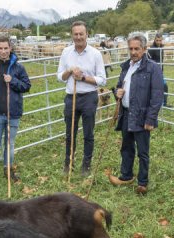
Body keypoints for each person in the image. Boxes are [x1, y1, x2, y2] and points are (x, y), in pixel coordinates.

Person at [108, 33, 163, 195]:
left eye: (137, 49)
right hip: (126, 114)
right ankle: (126, 175)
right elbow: (119, 87)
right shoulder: (126, 67)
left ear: (144, 49)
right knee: (126, 147)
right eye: (130, 48)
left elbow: (157, 95)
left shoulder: (153, 68)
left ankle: (143, 182)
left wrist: (151, 119)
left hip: (142, 115)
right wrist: (116, 92)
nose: (133, 52)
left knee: (143, 151)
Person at [56, 21, 107, 176]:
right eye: (75, 34)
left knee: (88, 133)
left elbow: (102, 80)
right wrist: (69, 72)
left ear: (87, 35)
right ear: (72, 35)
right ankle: (68, 163)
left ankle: (86, 165)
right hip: (71, 97)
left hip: (89, 97)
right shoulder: (66, 52)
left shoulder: (95, 54)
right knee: (70, 133)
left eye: (81, 34)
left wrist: (83, 77)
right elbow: (59, 77)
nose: (78, 37)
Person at [0, 36, 31, 186]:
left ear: (10, 48)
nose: (3, 51)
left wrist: (13, 81)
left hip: (12, 114)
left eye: (6, 48)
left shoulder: (18, 67)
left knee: (9, 145)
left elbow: (27, 86)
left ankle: (8, 170)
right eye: (0, 48)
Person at [147, 33, 170, 107]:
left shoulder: (161, 47)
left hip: (160, 71)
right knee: (162, 86)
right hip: (153, 72)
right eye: (157, 40)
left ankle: (164, 103)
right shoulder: (152, 49)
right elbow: (148, 61)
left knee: (164, 86)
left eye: (160, 40)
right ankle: (159, 103)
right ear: (154, 39)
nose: (158, 42)